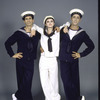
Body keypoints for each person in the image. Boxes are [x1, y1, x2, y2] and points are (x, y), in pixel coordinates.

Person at [59, 8, 95, 100]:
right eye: (74, 17)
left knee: (74, 81)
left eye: (77, 18)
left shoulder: (82, 33)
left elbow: (91, 46)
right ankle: (75, 98)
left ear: (80, 20)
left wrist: (81, 54)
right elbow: (53, 37)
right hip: (63, 60)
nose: (75, 19)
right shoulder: (63, 30)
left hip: (73, 60)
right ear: (71, 18)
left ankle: (76, 98)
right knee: (66, 82)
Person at [31, 15, 70, 100]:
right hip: (44, 59)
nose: (49, 23)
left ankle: (55, 97)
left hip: (53, 59)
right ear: (45, 23)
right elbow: (34, 25)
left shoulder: (57, 31)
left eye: (51, 21)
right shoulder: (42, 31)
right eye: (48, 21)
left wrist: (66, 26)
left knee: (53, 81)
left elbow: (67, 23)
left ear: (54, 23)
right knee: (44, 81)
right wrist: (33, 29)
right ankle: (48, 98)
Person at [5, 11, 40, 100]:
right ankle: (22, 97)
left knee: (27, 81)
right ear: (24, 21)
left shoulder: (37, 33)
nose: (28, 20)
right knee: (21, 81)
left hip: (30, 61)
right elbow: (7, 43)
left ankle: (17, 95)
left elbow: (47, 36)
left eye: (30, 19)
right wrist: (12, 54)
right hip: (21, 60)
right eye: (26, 19)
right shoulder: (19, 33)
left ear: (33, 20)